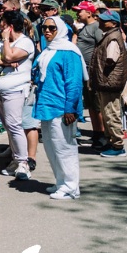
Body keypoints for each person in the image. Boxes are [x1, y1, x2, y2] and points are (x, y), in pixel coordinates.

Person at [33, 17, 85, 200]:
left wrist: (70, 109)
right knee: (51, 146)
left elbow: (74, 83)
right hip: (47, 105)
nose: (47, 31)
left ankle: (71, 187)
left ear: (60, 29)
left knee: (65, 147)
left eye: (51, 28)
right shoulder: (49, 50)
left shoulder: (69, 52)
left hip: (62, 107)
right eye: (44, 27)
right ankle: (61, 182)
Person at [0, 9, 35, 180]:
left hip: (15, 90)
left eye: (3, 25)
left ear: (10, 26)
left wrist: (6, 43)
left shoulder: (25, 42)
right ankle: (15, 159)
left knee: (15, 125)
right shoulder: (2, 43)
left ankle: (23, 162)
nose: (0, 28)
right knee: (8, 125)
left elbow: (9, 55)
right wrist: (6, 61)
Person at [90, 11, 127, 158]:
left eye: (104, 20)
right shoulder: (111, 36)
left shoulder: (112, 38)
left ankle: (118, 146)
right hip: (107, 82)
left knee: (111, 114)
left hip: (109, 82)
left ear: (114, 23)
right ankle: (111, 142)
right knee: (108, 113)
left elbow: (110, 59)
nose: (100, 22)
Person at [72, 1, 105, 146]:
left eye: (80, 11)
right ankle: (96, 132)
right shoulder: (84, 28)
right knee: (90, 104)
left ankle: (102, 134)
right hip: (84, 71)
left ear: (89, 13)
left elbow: (102, 47)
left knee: (97, 104)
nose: (78, 14)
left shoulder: (96, 27)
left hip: (93, 71)